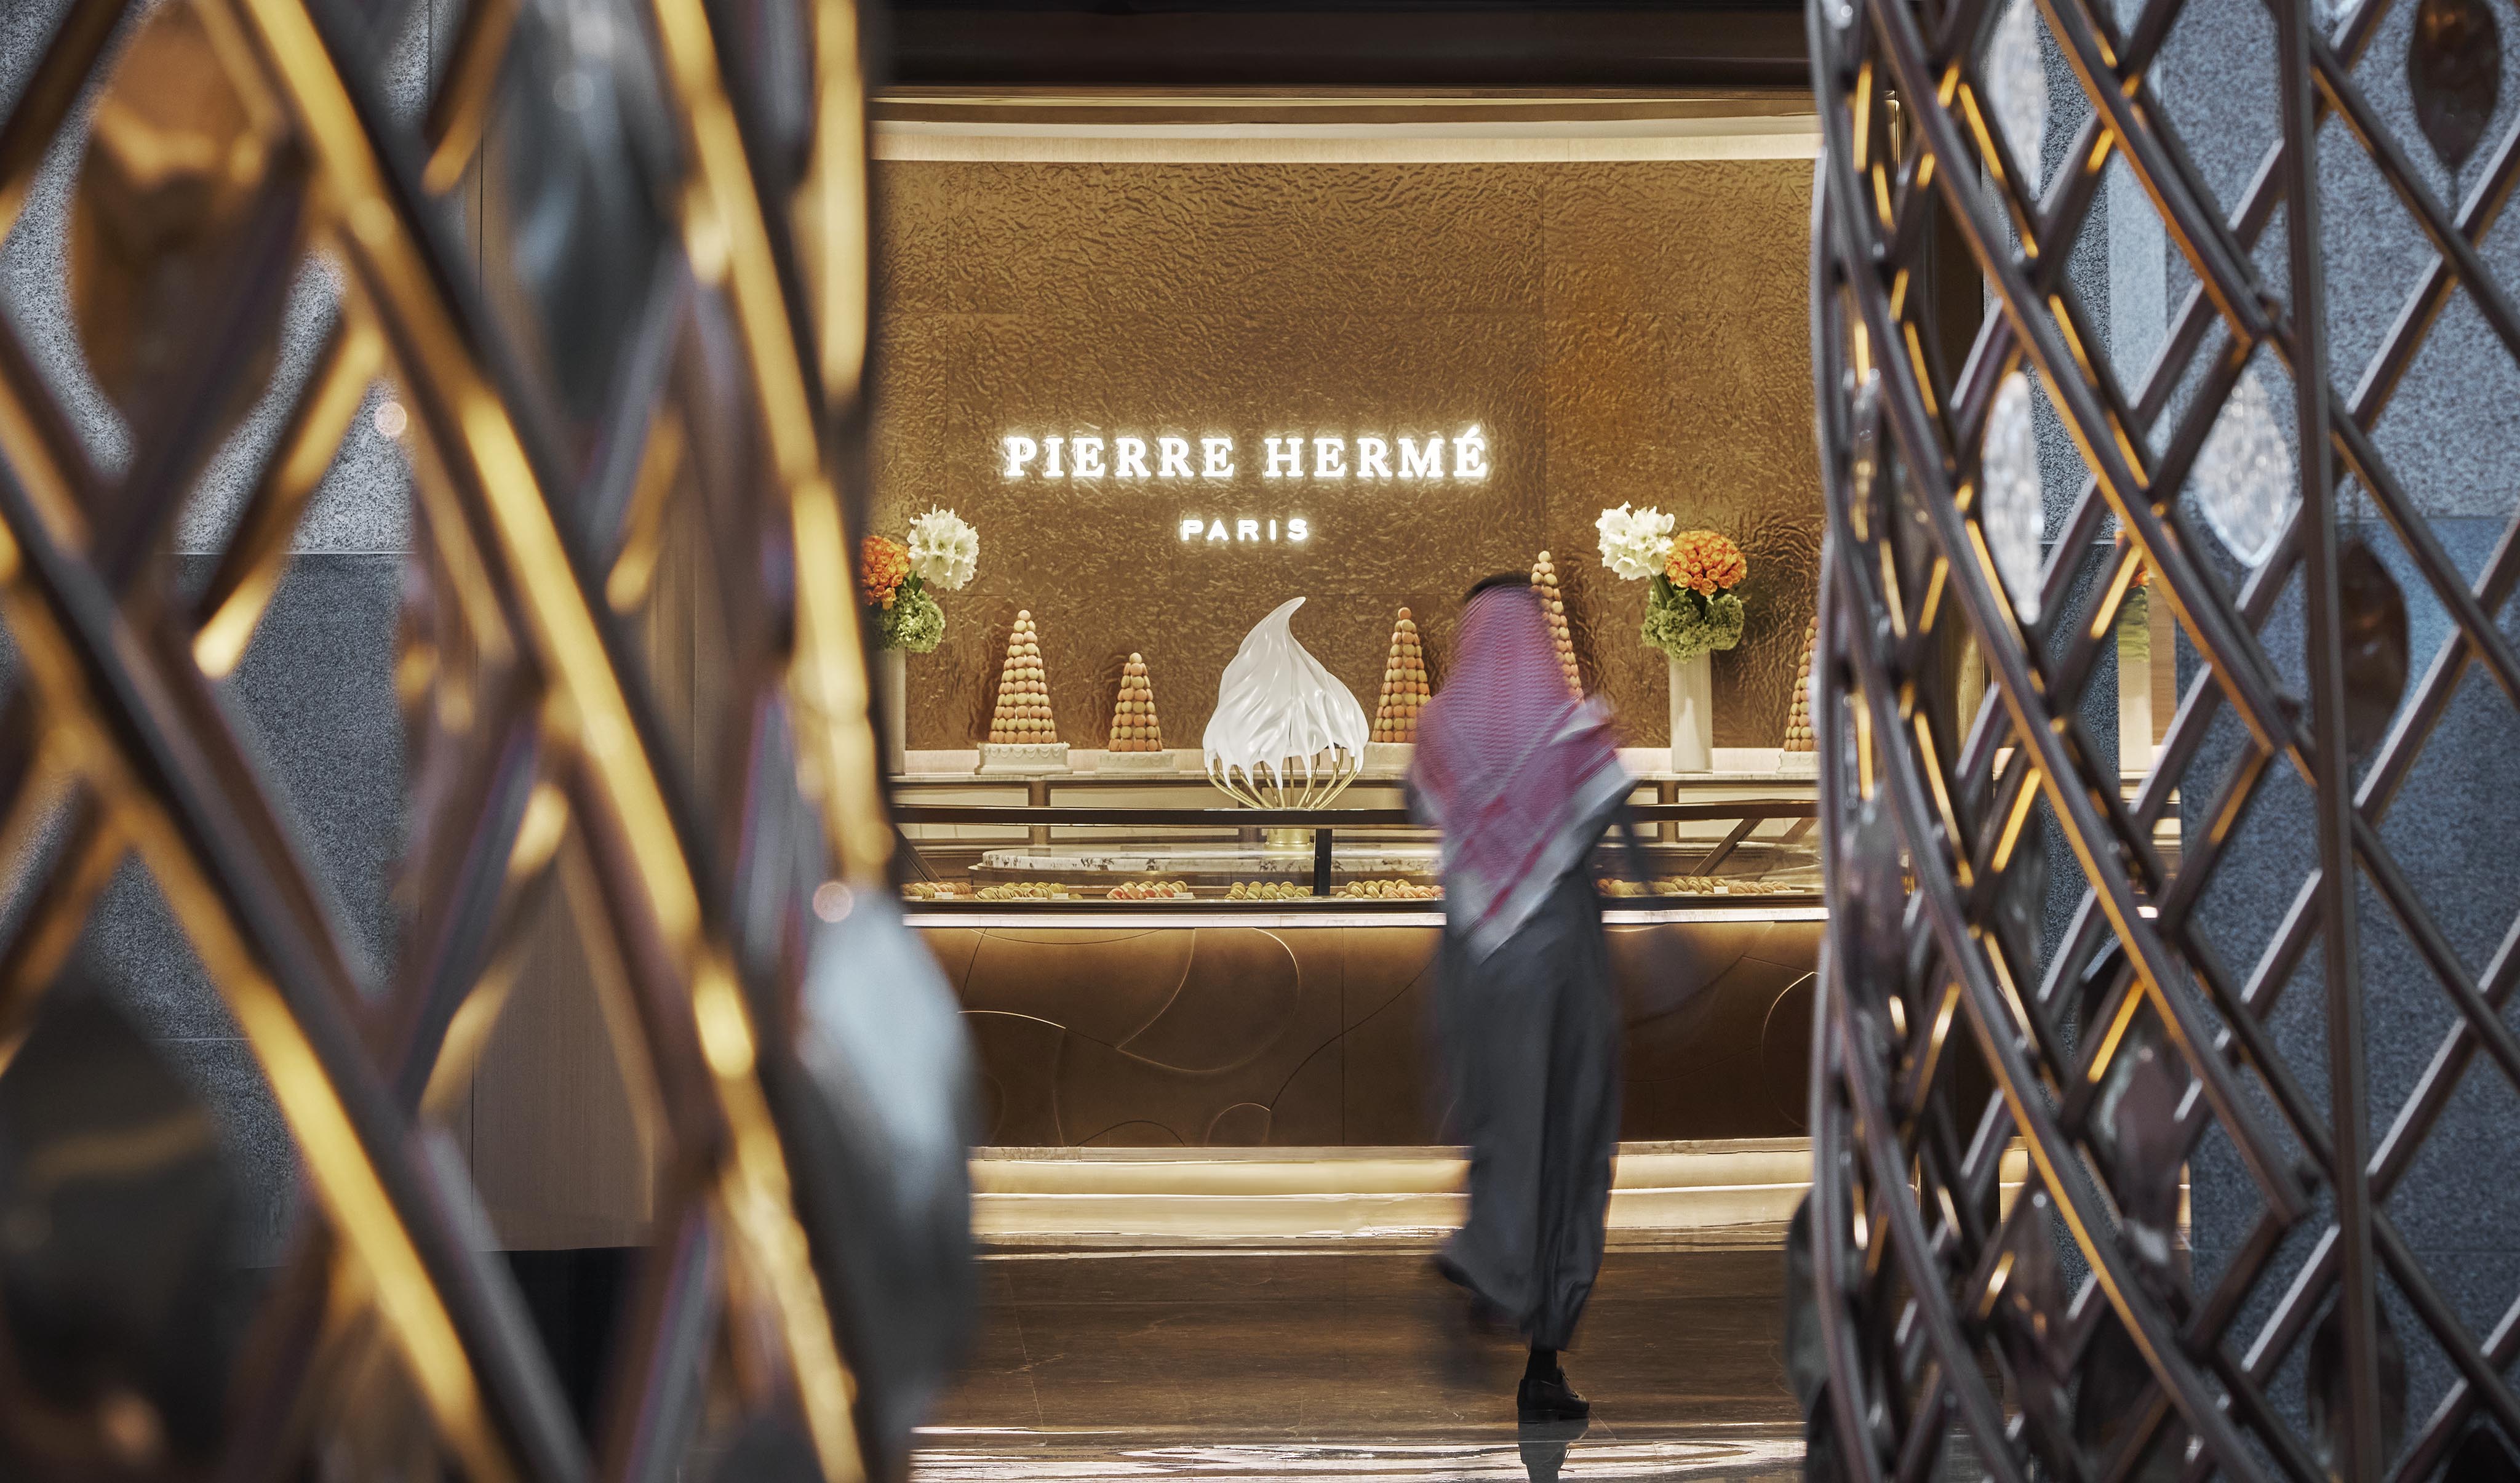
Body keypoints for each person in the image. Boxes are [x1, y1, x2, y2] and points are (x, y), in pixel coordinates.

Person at [1410, 574, 1631, 1422]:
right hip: (1566, 968)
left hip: (1471, 969)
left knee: (1499, 1134)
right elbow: (1624, 835)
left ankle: (1486, 1260)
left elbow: (1418, 810)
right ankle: (1542, 1360)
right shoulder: (1575, 728)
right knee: (1570, 1148)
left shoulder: (1442, 724)